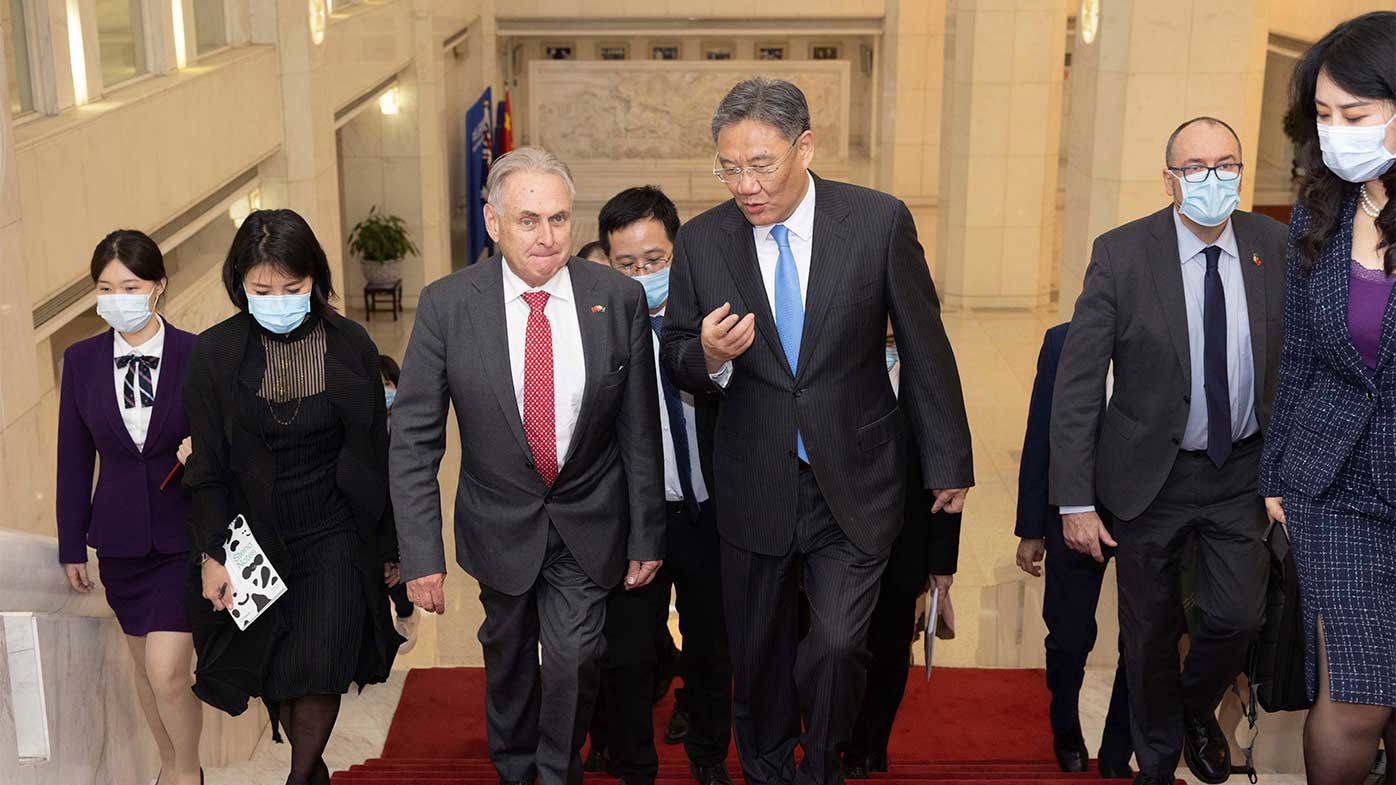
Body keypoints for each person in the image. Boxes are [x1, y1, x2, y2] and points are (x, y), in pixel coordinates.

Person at [660, 78, 973, 785]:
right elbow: (676, 353)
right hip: (754, 477)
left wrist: (948, 461)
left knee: (836, 645)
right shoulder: (705, 241)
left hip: (856, 475)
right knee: (760, 655)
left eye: (761, 164)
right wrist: (705, 355)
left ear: (805, 146)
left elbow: (926, 347)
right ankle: (770, 768)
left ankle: (820, 762)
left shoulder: (876, 222)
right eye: (729, 167)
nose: (746, 185)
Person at [390, 147, 666, 785]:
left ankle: (553, 774)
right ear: (492, 223)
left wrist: (647, 533)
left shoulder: (615, 298)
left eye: (561, 220)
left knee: (575, 658)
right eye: (529, 221)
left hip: (589, 520)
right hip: (498, 523)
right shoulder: (447, 305)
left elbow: (639, 429)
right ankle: (517, 770)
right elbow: (414, 440)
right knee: (509, 660)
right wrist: (420, 555)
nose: (548, 238)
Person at [1050, 117, 1287, 785]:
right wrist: (1074, 499)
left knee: (1237, 614)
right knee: (1148, 635)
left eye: (1227, 164)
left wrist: (1293, 469)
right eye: (1196, 167)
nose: (1213, 179)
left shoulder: (1275, 245)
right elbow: (1077, 386)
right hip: (1149, 476)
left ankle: (1188, 709)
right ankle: (1156, 768)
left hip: (1242, 469)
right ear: (1169, 179)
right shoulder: (1122, 254)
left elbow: (1295, 369)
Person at [183, 209, 402, 785]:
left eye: (293, 287)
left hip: (333, 532)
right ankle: (314, 770)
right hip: (252, 538)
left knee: (320, 667)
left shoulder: (349, 344)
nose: (278, 298)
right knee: (280, 676)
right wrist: (211, 555)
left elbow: (376, 453)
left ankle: (300, 778)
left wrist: (389, 545)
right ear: (241, 286)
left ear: (315, 281)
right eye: (263, 289)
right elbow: (206, 469)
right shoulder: (214, 356)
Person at [1259, 13, 1396, 785]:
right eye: (1323, 115)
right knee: (1356, 699)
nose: (1336, 133)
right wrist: (1276, 474)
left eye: (1356, 115)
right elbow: (1303, 356)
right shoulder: (1320, 210)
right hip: (1336, 488)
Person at [590, 185, 732, 785]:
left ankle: (706, 755)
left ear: (679, 250)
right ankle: (632, 765)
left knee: (713, 647)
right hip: (634, 522)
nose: (643, 274)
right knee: (625, 653)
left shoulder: (717, 318)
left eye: (656, 260)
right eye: (627, 265)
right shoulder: (599, 331)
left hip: (712, 513)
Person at [57, 230, 203, 785]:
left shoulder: (196, 353)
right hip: (119, 541)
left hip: (182, 535)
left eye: (131, 285)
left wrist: (204, 457)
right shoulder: (82, 360)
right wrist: (72, 543)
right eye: (105, 287)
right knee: (144, 675)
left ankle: (186, 771)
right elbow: (73, 458)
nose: (118, 296)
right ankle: (168, 765)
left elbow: (230, 442)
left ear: (158, 287)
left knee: (168, 673)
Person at [842, 325, 960, 779]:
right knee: (840, 642)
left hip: (905, 538)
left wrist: (942, 565)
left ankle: (871, 742)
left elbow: (951, 469)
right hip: (839, 535)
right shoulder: (838, 361)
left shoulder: (932, 370)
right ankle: (840, 731)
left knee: (890, 646)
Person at [1015, 323, 1132, 780]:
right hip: (1072, 507)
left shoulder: (1168, 336)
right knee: (1069, 634)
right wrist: (1031, 529)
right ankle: (1064, 726)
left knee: (1141, 637)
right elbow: (1040, 432)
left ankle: (1120, 744)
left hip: (1146, 511)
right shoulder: (1062, 341)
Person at [379, 353, 419, 654]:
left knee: (395, 578)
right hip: (369, 518)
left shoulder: (408, 432)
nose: (383, 391)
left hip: (397, 518)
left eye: (387, 384)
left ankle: (405, 612)